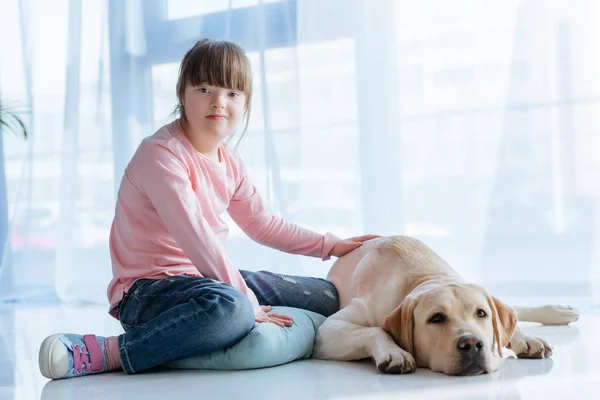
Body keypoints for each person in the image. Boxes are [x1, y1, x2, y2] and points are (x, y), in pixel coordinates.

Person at [38, 39, 379, 380]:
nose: (219, 102)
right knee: (233, 310)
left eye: (232, 93)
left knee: (325, 296)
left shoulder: (229, 160)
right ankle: (112, 351)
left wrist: (331, 245)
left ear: (245, 103)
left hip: (200, 280)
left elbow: (263, 224)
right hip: (147, 293)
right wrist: (247, 302)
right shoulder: (162, 155)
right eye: (204, 88)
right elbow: (198, 239)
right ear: (182, 94)